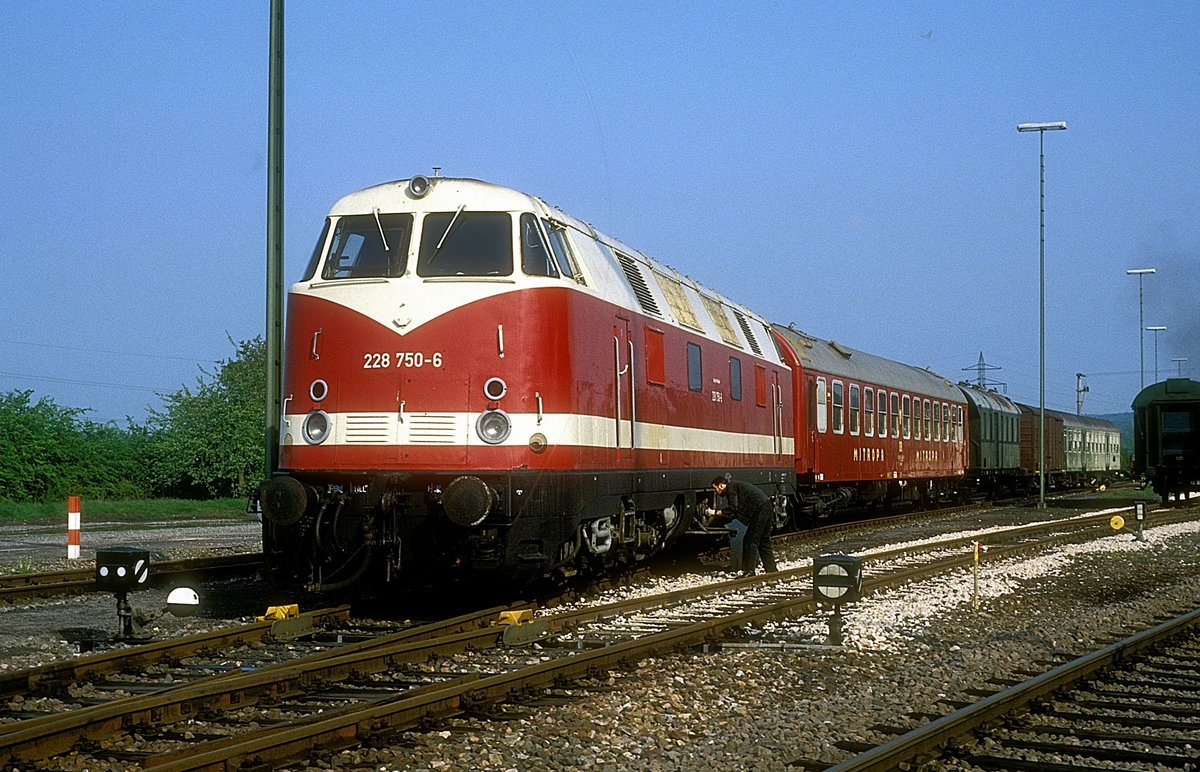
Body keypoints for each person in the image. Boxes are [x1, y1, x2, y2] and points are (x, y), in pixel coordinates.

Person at [710, 476, 778, 575]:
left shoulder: (730, 488)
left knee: (750, 541)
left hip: (759, 510)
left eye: (715, 488)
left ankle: (749, 571)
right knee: (764, 541)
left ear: (720, 485)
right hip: (766, 506)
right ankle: (771, 570)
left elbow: (734, 508)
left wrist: (715, 513)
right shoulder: (736, 485)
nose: (715, 492)